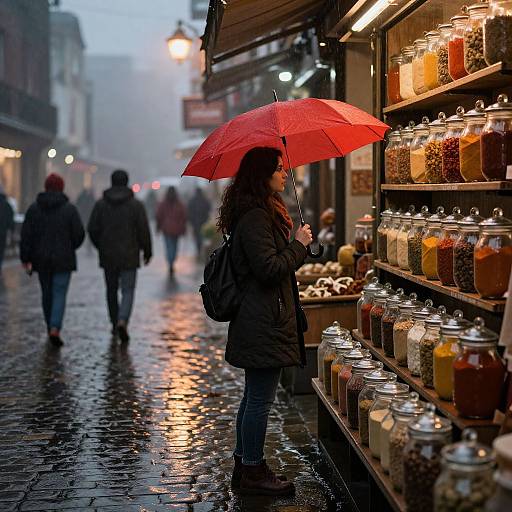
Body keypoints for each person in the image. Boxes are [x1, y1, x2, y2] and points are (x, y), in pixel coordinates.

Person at [217, 147, 313, 496]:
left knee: (253, 397)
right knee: (260, 400)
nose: (284, 173)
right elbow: (269, 269)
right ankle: (253, 472)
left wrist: (295, 243)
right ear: (262, 175)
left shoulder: (257, 212)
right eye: (278, 168)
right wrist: (299, 245)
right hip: (262, 321)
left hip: (260, 318)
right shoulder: (256, 217)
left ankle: (246, 465)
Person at [20, 173, 85, 346]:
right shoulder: (70, 209)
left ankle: (50, 324)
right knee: (59, 293)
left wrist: (25, 258)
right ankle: (55, 327)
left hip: (41, 260)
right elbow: (79, 234)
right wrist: (70, 247)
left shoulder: (34, 209)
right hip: (63, 260)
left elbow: (26, 235)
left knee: (46, 294)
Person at [88, 169, 152, 343]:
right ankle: (123, 320)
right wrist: (147, 251)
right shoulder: (136, 205)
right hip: (130, 255)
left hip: (108, 255)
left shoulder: (101, 204)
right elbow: (143, 230)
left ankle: (114, 322)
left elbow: (92, 228)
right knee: (128, 290)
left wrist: (100, 246)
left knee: (111, 290)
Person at [155, 186, 187, 276]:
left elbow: (158, 216)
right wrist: (184, 228)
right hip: (177, 229)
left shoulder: (163, 203)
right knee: (175, 247)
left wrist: (158, 227)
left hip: (166, 229)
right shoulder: (179, 203)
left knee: (169, 246)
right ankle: (172, 261)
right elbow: (184, 216)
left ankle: (170, 262)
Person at [187, 187, 211, 256]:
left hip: (195, 223)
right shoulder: (205, 200)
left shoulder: (192, 200)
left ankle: (199, 250)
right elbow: (209, 208)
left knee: (197, 237)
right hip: (204, 222)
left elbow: (189, 211)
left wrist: (190, 221)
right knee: (203, 236)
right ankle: (201, 250)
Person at [0, 184, 14, 273]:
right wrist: (10, 229)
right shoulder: (7, 204)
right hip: (2, 233)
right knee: (1, 251)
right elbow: (10, 219)